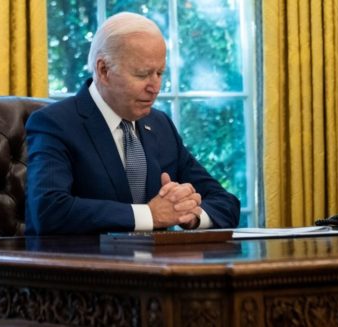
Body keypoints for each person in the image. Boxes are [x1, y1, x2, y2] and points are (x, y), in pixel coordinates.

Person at [25, 12, 240, 235]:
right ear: (103, 70)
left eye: (159, 73)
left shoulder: (160, 125)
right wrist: (150, 215)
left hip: (156, 267)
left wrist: (190, 214)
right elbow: (49, 211)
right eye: (143, 74)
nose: (155, 87)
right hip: (82, 266)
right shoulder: (55, 123)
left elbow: (226, 203)